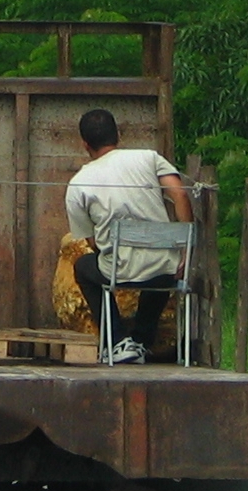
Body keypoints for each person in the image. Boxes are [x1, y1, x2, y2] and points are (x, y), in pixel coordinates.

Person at [65, 108, 193, 365]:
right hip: (166, 269)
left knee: (83, 266)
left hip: (119, 271)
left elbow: (90, 242)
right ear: (118, 135)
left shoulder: (79, 183)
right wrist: (185, 252)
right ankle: (141, 342)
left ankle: (117, 342)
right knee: (158, 267)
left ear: (85, 144)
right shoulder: (149, 158)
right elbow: (179, 194)